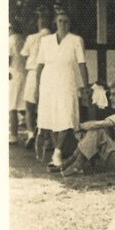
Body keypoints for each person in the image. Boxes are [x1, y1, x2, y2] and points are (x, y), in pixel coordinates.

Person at [51, 80, 115, 176]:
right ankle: (70, 164)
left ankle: (75, 166)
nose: (111, 98)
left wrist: (79, 126)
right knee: (97, 131)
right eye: (110, 95)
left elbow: (98, 124)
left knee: (97, 131)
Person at [35, 9, 90, 168]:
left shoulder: (76, 40)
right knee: (52, 117)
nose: (63, 24)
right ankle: (56, 154)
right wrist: (38, 88)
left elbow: (82, 65)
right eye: (60, 21)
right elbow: (40, 65)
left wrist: (85, 87)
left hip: (67, 81)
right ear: (55, 22)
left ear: (70, 24)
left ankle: (57, 150)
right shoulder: (46, 40)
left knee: (66, 116)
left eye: (66, 21)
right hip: (48, 82)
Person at [20, 8, 51, 148]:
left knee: (29, 106)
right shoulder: (53, 38)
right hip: (48, 72)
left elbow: (24, 53)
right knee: (46, 106)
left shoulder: (31, 38)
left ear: (39, 22)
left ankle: (31, 133)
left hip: (33, 72)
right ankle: (45, 136)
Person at [8, 22, 26, 144]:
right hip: (23, 73)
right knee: (23, 105)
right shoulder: (22, 39)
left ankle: (13, 135)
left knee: (12, 106)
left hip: (13, 73)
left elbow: (7, 58)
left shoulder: (10, 40)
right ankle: (32, 130)